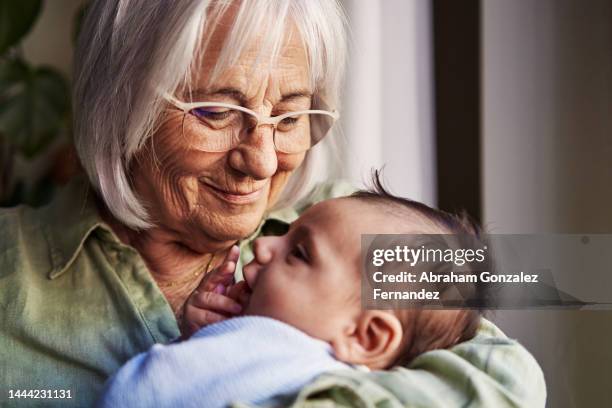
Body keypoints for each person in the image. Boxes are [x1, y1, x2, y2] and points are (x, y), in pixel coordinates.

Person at [0, 1, 545, 407]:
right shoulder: (11, 269)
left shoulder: (355, 226)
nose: (261, 162)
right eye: (215, 111)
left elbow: (510, 380)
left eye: (289, 117)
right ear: (120, 102)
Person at [97, 182, 484, 408]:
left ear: (364, 337)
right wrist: (201, 339)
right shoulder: (288, 355)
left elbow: (145, 393)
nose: (264, 246)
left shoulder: (293, 364)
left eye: (298, 252)